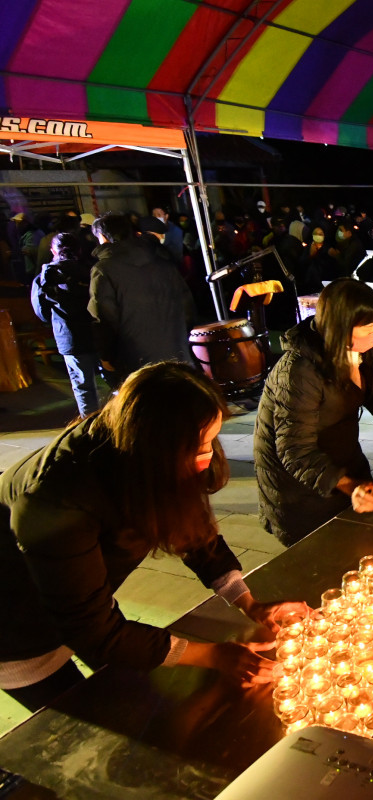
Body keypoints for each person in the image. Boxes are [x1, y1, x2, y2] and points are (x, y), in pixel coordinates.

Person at [0, 362, 309, 711]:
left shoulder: (141, 451)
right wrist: (214, 656)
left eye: (211, 439)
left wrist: (247, 602)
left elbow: (188, 525)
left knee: (128, 692)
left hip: (79, 601)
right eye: (200, 445)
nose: (208, 454)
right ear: (156, 447)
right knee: (87, 723)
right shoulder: (57, 501)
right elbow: (93, 630)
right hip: (17, 627)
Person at [254, 279, 373, 546]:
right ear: (338, 329)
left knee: (361, 535)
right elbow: (295, 450)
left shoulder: (363, 351)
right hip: (300, 479)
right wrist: (348, 486)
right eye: (365, 329)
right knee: (322, 549)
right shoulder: (299, 371)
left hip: (341, 452)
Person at [88, 212, 195, 386]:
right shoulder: (162, 260)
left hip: (136, 358)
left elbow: (104, 317)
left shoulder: (103, 269)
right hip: (177, 349)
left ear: (102, 236)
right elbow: (187, 307)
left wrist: (106, 355)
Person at [31, 233, 101, 417]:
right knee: (115, 380)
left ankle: (91, 428)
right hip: (99, 332)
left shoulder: (44, 277)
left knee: (83, 387)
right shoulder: (92, 270)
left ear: (53, 250)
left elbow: (42, 313)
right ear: (78, 249)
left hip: (70, 337)